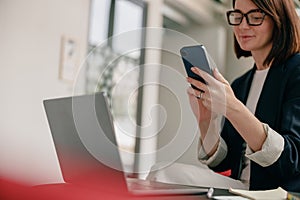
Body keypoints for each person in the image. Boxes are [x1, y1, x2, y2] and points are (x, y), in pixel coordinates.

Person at [186, 0, 300, 192]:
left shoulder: (296, 72)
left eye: (255, 17)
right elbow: (225, 164)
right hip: (240, 190)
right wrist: (206, 120)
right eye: (237, 17)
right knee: (164, 174)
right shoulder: (241, 84)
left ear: (279, 19)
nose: (242, 26)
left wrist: (232, 107)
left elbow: (291, 160)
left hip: (278, 194)